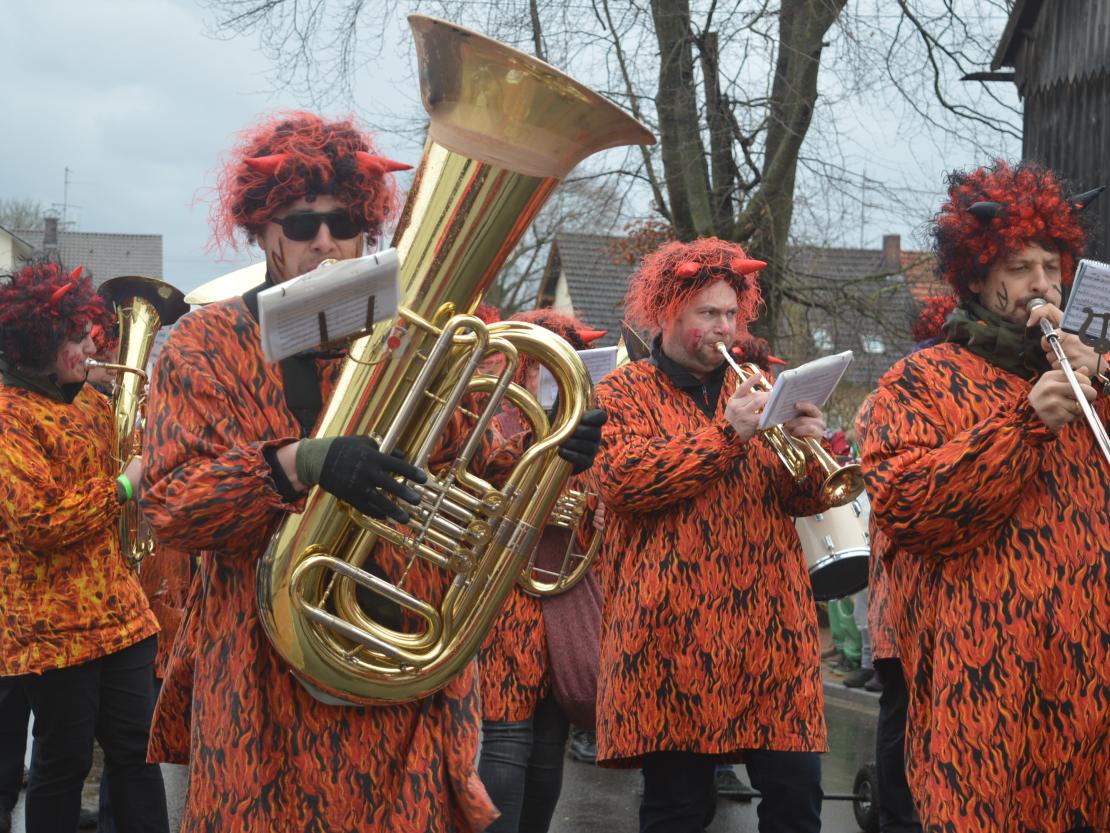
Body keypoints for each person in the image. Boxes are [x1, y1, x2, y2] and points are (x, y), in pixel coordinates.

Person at [140, 111, 602, 833]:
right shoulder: (202, 344)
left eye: (346, 222)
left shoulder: (412, 339)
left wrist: (551, 456)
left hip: (399, 674)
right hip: (260, 682)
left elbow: (473, 460)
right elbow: (173, 504)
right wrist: (302, 464)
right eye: (301, 223)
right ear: (261, 231)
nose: (325, 241)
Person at [861, 160, 1110, 833]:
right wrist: (1023, 426)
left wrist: (1102, 373)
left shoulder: (1093, 376)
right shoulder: (917, 380)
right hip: (982, 684)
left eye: (1052, 266)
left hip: (1089, 682)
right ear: (975, 276)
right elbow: (907, 507)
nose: (1043, 284)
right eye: (1020, 267)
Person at [593, 237, 831, 833]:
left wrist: (808, 451)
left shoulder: (756, 384)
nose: (725, 328)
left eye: (731, 313)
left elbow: (800, 501)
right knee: (678, 810)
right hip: (669, 635)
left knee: (797, 798)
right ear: (670, 312)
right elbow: (624, 482)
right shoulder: (621, 391)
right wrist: (726, 435)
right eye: (709, 313)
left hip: (771, 631)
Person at [0, 261, 168, 833]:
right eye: (76, 337)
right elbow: (39, 520)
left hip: (121, 614)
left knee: (139, 754)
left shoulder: (91, 402)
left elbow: (134, 457)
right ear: (39, 344)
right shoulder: (9, 417)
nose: (92, 345)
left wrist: (151, 438)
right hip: (53, 627)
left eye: (87, 332)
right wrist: (124, 487)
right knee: (62, 763)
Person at [475, 308, 606, 833]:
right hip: (507, 592)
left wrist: (594, 507)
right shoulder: (495, 408)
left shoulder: (585, 418)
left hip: (560, 592)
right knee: (507, 737)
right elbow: (478, 480)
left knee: (549, 740)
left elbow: (598, 492)